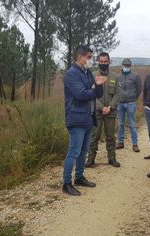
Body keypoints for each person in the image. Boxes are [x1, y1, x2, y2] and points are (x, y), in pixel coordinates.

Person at [62, 45, 106, 196]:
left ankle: (79, 177)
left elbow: (97, 94)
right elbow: (81, 94)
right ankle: (66, 183)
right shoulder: (71, 74)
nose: (90, 60)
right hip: (76, 118)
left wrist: (99, 85)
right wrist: (95, 88)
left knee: (83, 151)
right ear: (80, 56)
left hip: (88, 117)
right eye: (88, 57)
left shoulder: (86, 72)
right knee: (74, 152)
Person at [85, 52, 121, 168]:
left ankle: (112, 159)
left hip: (111, 112)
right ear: (98, 62)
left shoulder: (115, 77)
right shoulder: (93, 76)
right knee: (94, 137)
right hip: (97, 112)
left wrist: (110, 107)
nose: (103, 64)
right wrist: (101, 107)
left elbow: (117, 94)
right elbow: (91, 95)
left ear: (109, 62)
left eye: (105, 61)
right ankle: (90, 160)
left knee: (110, 136)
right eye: (101, 62)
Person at [116, 58, 142, 152]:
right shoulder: (118, 76)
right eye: (125, 65)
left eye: (128, 65)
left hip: (131, 103)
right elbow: (116, 89)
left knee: (132, 124)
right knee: (121, 123)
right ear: (122, 65)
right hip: (120, 103)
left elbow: (139, 89)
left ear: (130, 66)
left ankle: (135, 144)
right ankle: (120, 142)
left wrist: (134, 98)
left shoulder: (135, 76)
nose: (126, 67)